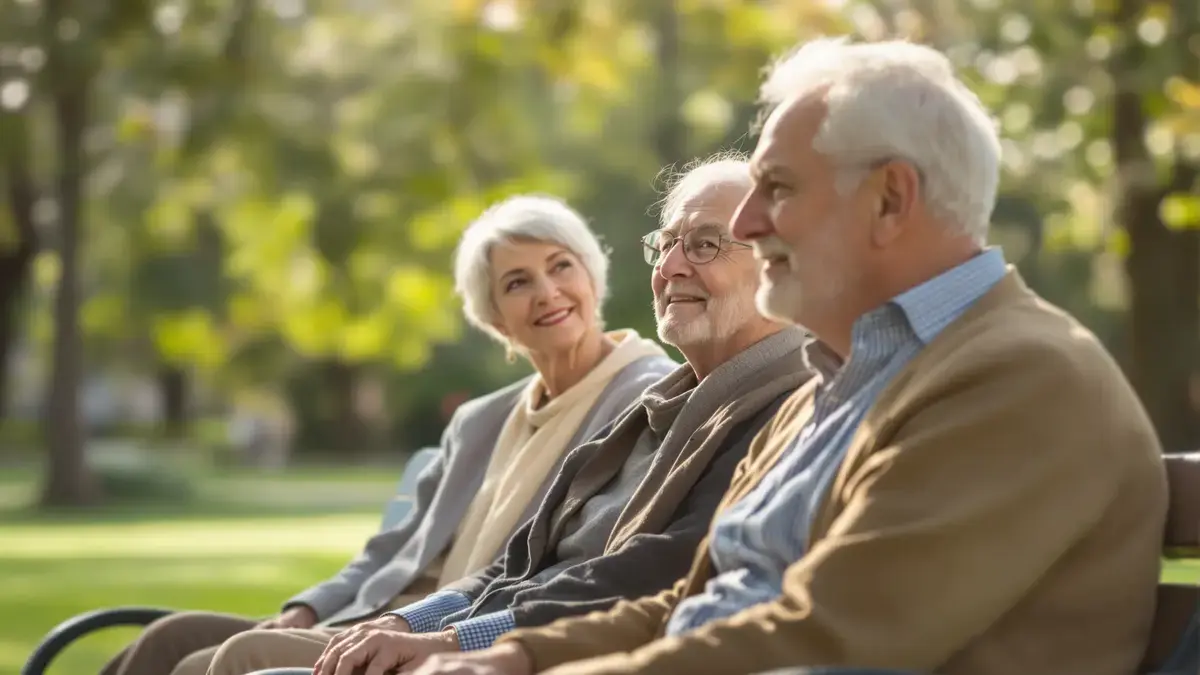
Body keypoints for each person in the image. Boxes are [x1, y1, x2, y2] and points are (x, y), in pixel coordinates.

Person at [412, 37, 1168, 675]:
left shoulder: (1019, 377)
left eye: (775, 187)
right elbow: (697, 603)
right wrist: (515, 657)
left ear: (890, 200)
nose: (748, 218)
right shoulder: (832, 384)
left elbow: (833, 634)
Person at [206, 155, 829, 675]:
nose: (668, 269)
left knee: (249, 665)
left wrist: (452, 642)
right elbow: (516, 561)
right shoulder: (661, 404)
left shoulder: (787, 400)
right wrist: (404, 621)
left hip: (547, 656)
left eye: (703, 244)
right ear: (494, 322)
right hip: (487, 639)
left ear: (777, 260)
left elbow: (650, 572)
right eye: (665, 245)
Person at [99, 195, 677, 675]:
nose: (547, 292)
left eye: (560, 266)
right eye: (518, 282)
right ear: (495, 317)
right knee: (167, 641)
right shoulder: (480, 420)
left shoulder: (645, 395)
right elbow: (390, 550)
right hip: (377, 616)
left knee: (226, 660)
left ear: (592, 277)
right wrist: (309, 607)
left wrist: (425, 629)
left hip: (461, 631)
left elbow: (591, 562)